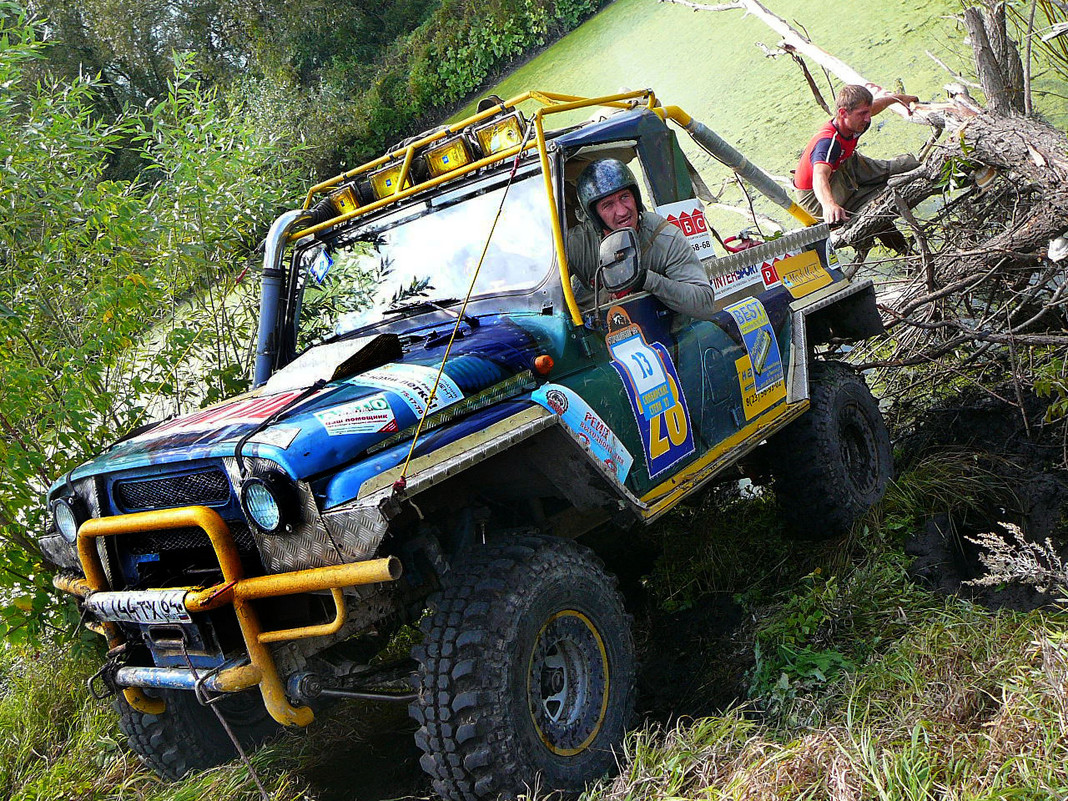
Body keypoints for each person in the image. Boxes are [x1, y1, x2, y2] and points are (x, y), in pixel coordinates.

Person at [566, 158, 716, 321]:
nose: (622, 211)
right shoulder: (577, 243)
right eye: (608, 205)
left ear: (636, 198)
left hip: (660, 332)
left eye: (624, 197)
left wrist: (646, 279)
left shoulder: (665, 238)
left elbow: (704, 304)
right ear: (594, 215)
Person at [793, 85, 920, 239]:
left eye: (868, 112)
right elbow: (819, 176)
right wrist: (829, 205)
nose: (868, 118)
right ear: (842, 113)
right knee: (876, 202)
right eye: (862, 114)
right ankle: (902, 248)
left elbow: (878, 105)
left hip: (847, 163)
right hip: (818, 194)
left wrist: (900, 99)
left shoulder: (857, 120)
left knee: (907, 165)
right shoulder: (828, 143)